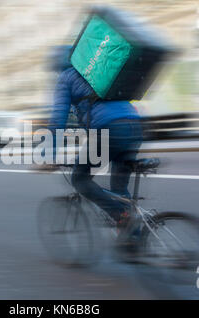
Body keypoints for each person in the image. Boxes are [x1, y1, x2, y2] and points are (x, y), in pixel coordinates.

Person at [47, 45, 143, 238]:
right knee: (119, 189)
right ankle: (134, 241)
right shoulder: (99, 70)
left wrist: (48, 155)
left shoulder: (66, 78)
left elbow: (58, 119)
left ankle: (122, 216)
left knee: (80, 179)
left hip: (110, 130)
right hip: (136, 125)